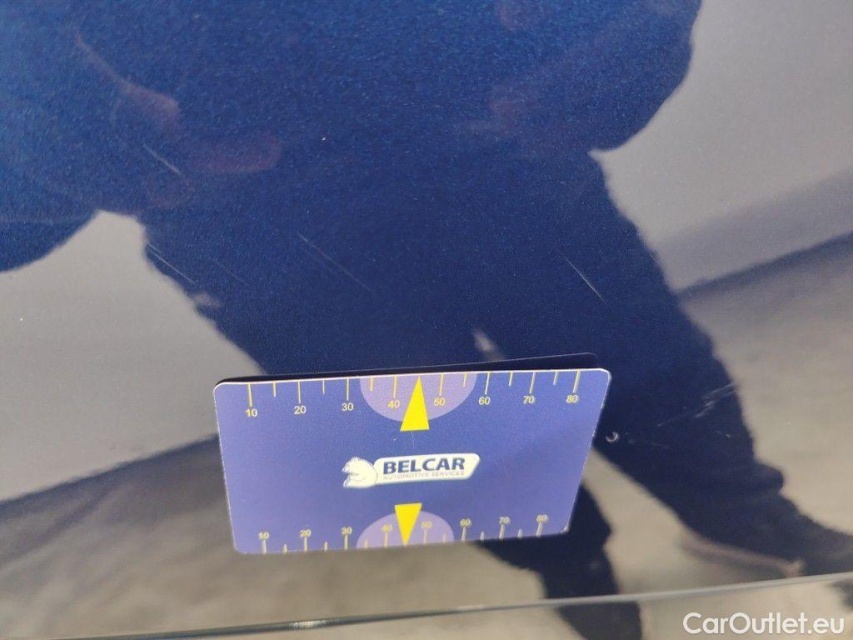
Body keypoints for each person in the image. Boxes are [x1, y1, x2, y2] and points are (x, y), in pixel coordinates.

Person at [2, 1, 850, 638]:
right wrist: (27, 124)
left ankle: (738, 513)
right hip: (233, 199)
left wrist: (651, 14)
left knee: (636, 347)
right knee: (424, 425)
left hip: (476, 115)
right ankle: (568, 564)